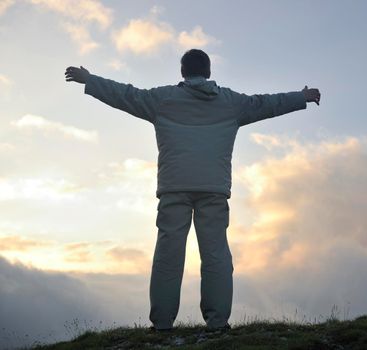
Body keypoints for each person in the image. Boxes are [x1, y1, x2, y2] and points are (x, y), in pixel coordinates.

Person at [65, 49, 321, 332]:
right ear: (209, 71)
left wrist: (90, 80)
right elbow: (266, 103)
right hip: (213, 189)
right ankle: (218, 322)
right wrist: (302, 97)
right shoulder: (231, 103)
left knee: (168, 255)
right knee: (215, 254)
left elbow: (125, 94)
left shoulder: (162, 100)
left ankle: (162, 324)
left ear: (182, 71)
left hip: (174, 187)